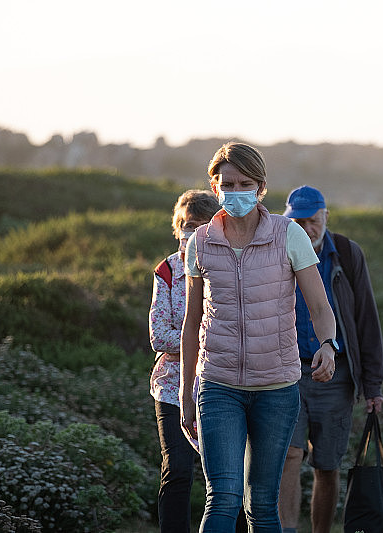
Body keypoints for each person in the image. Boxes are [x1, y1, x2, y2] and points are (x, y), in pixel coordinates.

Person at [180, 142, 338, 532]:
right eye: (227, 184)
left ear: (261, 187)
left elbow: (319, 306)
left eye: (244, 184)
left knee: (262, 505)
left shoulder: (289, 236)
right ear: (214, 188)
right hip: (219, 386)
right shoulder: (200, 243)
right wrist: (187, 391)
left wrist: (328, 346)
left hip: (277, 388)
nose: (235, 192)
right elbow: (192, 320)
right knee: (222, 499)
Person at [279, 185, 383, 533]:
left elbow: (366, 319)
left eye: (313, 220)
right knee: (289, 456)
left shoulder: (348, 254)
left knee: (327, 465)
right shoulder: (276, 249)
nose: (307, 228)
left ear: (325, 217)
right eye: (298, 221)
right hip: (286, 372)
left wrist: (373, 385)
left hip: (335, 376)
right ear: (287, 219)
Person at [149, 189, 221, 533]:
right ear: (178, 228)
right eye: (187, 225)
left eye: (201, 225)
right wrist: (197, 336)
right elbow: (158, 336)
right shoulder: (166, 270)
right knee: (177, 469)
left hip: (218, 383)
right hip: (171, 386)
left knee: (224, 475)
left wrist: (190, 335)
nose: (192, 232)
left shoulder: (225, 265)